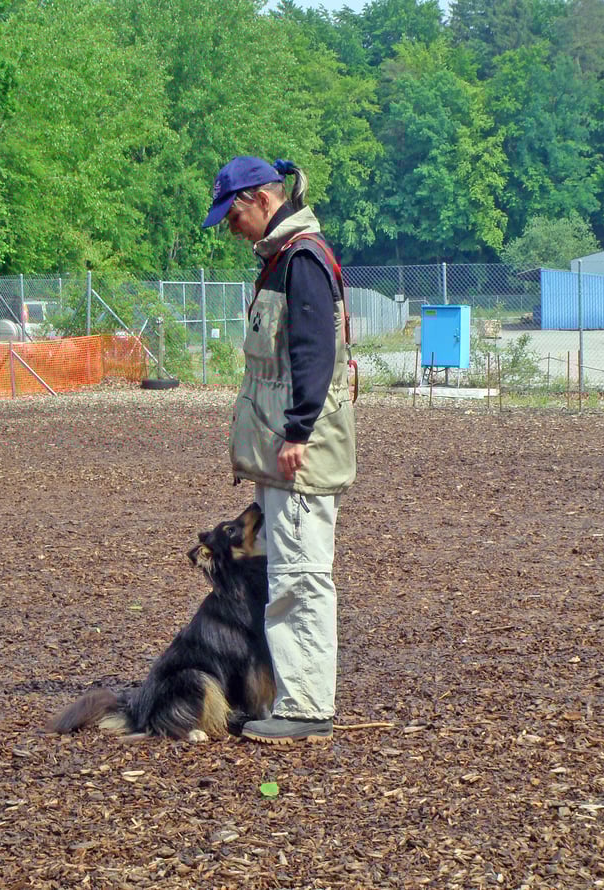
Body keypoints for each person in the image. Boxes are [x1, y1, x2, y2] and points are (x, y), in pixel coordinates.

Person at [202, 156, 356, 744]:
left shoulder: (302, 261)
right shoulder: (285, 259)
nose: (229, 226)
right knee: (290, 572)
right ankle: (293, 697)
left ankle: (308, 709)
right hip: (284, 452)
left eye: (232, 213)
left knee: (300, 576)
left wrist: (296, 431)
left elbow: (314, 354)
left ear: (263, 199)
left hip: (299, 454)